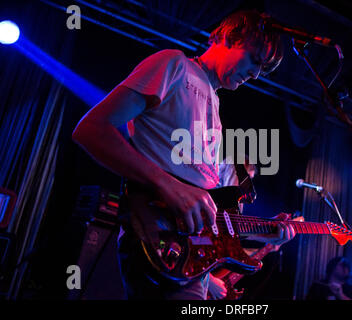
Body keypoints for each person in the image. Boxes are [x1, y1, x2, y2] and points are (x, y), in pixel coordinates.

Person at [72, 9, 296, 300]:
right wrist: (168, 185)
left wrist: (263, 232)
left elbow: (212, 208)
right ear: (229, 36)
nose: (255, 74)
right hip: (162, 238)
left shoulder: (214, 108)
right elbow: (90, 129)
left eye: (263, 70)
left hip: (196, 256)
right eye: (255, 60)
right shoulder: (174, 65)